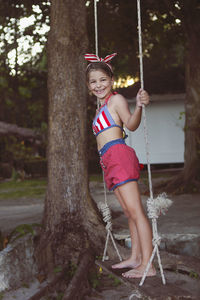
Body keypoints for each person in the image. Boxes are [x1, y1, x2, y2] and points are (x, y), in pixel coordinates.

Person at [85, 53, 156, 279]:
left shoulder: (116, 100)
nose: (99, 85)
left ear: (112, 80)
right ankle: (136, 257)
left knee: (136, 211)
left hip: (119, 155)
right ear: (88, 86)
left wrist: (139, 107)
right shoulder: (100, 108)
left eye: (103, 79)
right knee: (128, 211)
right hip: (109, 160)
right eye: (93, 81)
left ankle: (148, 264)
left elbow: (131, 125)